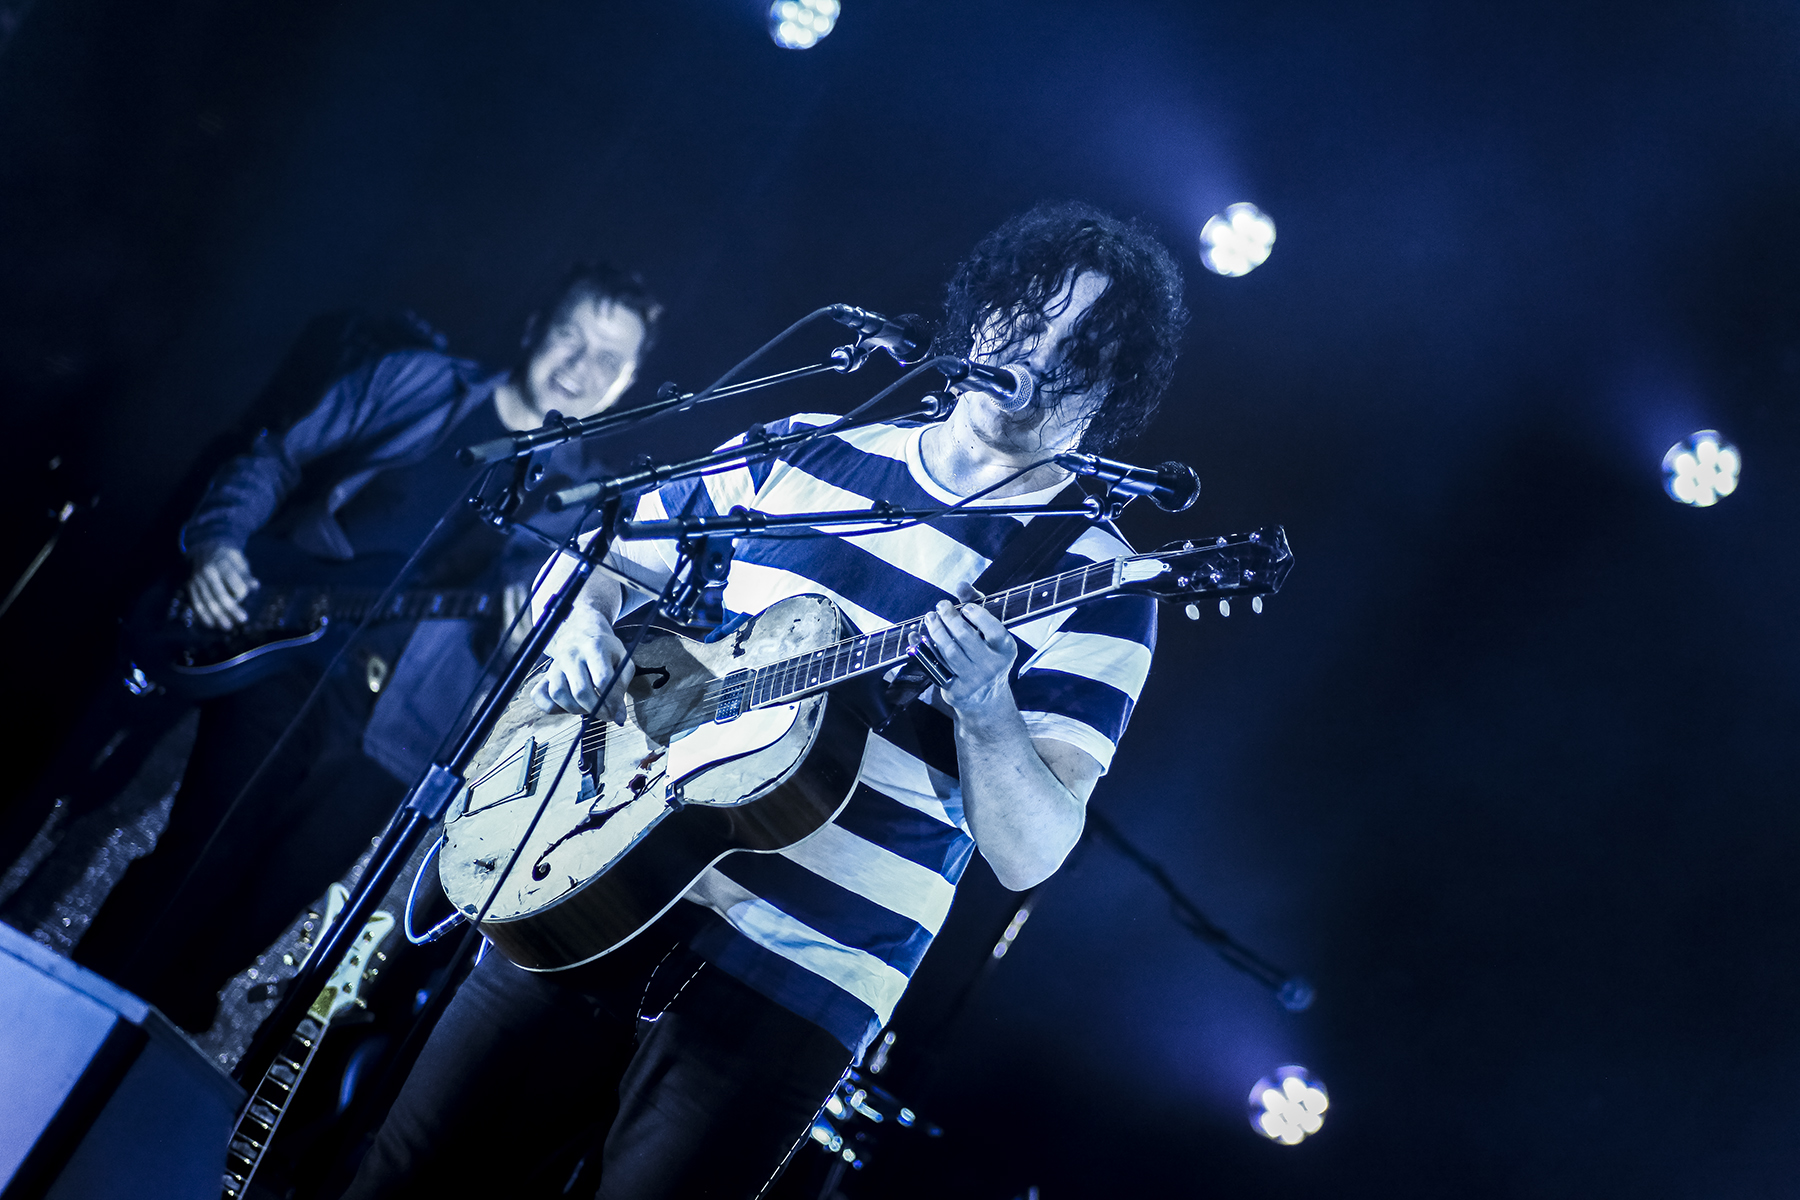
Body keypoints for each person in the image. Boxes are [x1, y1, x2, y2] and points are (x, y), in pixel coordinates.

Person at [343, 202, 1188, 1199]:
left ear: (1111, 390)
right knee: (402, 1179)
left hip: (798, 978)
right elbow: (596, 558)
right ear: (980, 313)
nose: (1035, 359)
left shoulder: (1095, 580)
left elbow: (1030, 852)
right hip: (593, 861)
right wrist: (580, 629)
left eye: (1077, 351)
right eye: (1026, 320)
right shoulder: (803, 447)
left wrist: (987, 710)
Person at [70, 263, 663, 1034]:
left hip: (399, 735)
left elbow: (547, 644)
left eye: (608, 359)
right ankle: (69, 1023)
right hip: (289, 655)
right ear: (534, 328)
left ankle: (138, 1063)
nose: (580, 367)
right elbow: (275, 454)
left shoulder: (586, 505)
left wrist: (531, 636)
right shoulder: (420, 382)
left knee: (251, 921)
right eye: (569, 337)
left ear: (628, 382)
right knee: (199, 858)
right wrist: (219, 542)